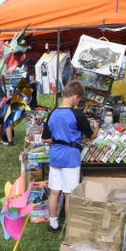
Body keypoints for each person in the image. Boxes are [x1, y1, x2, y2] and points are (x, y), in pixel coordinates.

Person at [42, 80, 99, 233]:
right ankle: (69, 227)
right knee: (69, 194)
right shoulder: (77, 114)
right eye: (79, 100)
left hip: (55, 156)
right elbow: (90, 136)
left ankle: (53, 224)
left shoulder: (52, 113)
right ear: (75, 96)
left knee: (54, 192)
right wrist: (96, 128)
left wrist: (58, 138)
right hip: (71, 158)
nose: (78, 103)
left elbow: (45, 138)